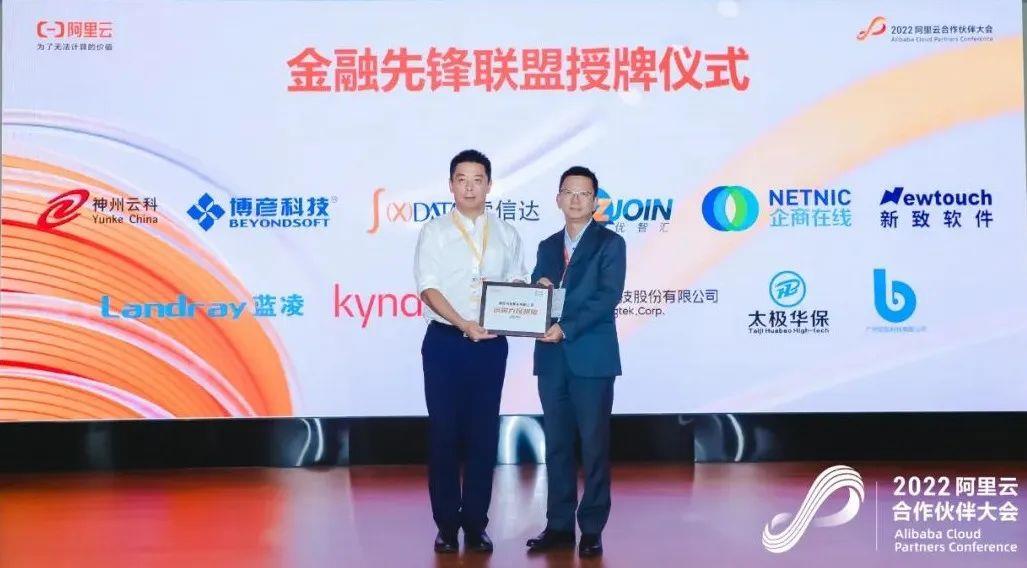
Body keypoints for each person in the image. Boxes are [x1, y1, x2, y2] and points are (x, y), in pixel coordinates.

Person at [414, 149, 528, 553]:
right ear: (451, 185)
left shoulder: (507, 233)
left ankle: (477, 524)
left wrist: (529, 299)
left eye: (477, 180)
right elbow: (428, 287)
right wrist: (463, 323)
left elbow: (518, 282)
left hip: (491, 346)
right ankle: (446, 526)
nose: (469, 187)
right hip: (445, 343)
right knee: (444, 435)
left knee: (483, 436)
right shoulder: (434, 231)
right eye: (461, 179)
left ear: (489, 185)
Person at [526, 166, 626, 558]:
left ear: (595, 201)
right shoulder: (547, 246)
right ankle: (559, 526)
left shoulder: (610, 243)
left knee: (594, 446)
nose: (576, 200)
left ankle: (592, 528)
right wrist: (537, 292)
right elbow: (538, 292)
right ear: (558, 199)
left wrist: (565, 328)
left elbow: (607, 297)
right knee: (557, 446)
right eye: (569, 192)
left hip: (592, 359)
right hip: (552, 360)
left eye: (584, 194)